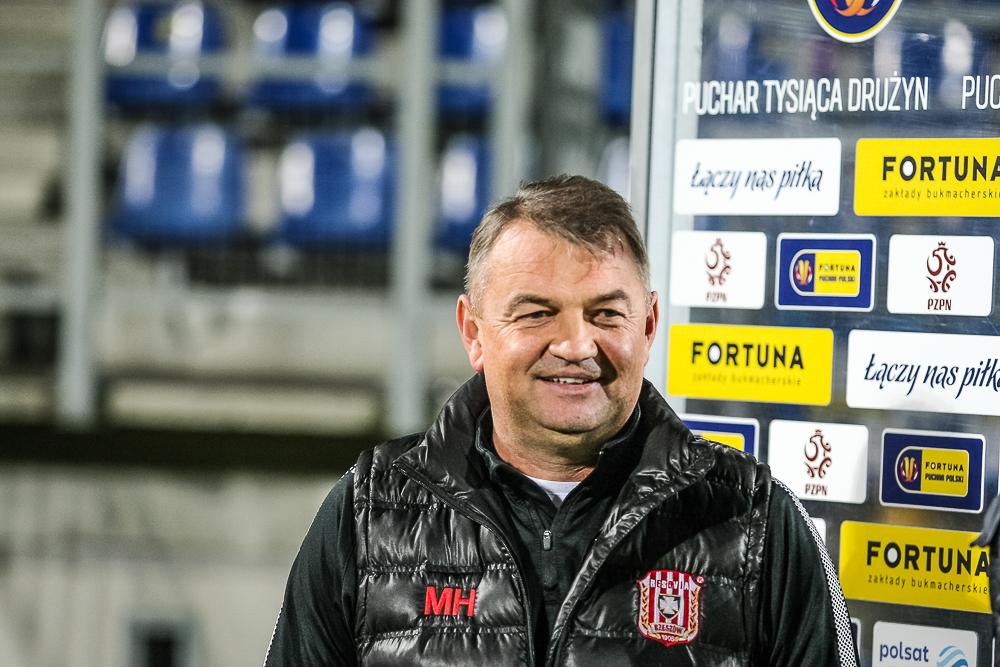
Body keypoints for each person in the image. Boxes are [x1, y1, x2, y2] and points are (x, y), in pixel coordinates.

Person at [264, 175, 858, 666]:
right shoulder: (367, 511)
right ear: (473, 332)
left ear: (649, 326)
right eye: (536, 314)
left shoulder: (757, 520)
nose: (575, 345)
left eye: (606, 314)